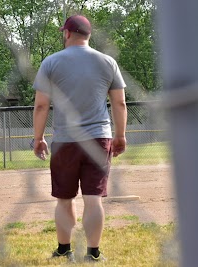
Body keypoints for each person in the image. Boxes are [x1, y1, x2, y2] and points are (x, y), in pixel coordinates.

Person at [32, 15, 127, 263]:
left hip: (65, 139)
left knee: (65, 198)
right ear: (88, 35)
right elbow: (119, 102)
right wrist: (120, 136)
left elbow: (41, 105)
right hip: (99, 137)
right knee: (93, 197)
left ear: (66, 34)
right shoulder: (107, 62)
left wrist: (38, 138)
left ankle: (65, 249)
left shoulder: (51, 62)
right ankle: (93, 253)